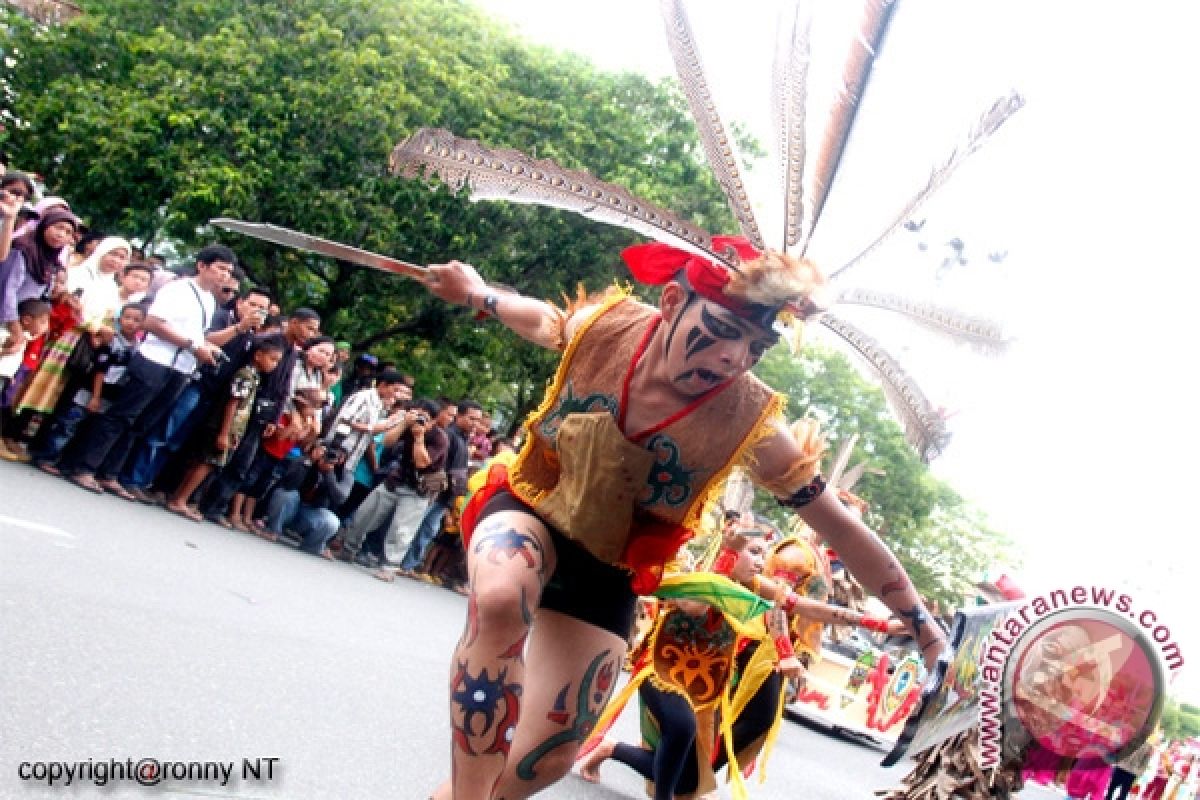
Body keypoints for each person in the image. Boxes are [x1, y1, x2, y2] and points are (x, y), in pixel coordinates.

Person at [417, 237, 949, 800]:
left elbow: (840, 526)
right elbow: (545, 319)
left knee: (544, 761)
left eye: (755, 348)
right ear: (672, 301)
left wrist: (925, 628)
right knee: (502, 594)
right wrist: (476, 293)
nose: (733, 359)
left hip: (607, 569)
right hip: (529, 508)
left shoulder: (753, 422)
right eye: (721, 331)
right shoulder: (609, 328)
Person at [58, 244, 233, 497]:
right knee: (122, 416)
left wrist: (204, 346)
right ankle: (83, 466)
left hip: (181, 367)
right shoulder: (178, 290)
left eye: (227, 271)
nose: (223, 275)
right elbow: (153, 323)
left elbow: (195, 334)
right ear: (202, 266)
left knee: (143, 423)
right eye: (220, 268)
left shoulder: (209, 299)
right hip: (155, 360)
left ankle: (110, 472)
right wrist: (193, 345)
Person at [165, 334, 285, 521]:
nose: (275, 365)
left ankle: (179, 496)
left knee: (205, 463)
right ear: (258, 355)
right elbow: (232, 404)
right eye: (272, 359)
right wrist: (224, 432)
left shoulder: (255, 376)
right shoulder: (245, 374)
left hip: (231, 428)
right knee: (205, 463)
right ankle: (180, 499)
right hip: (221, 425)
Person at [335, 397, 448, 568]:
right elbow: (387, 442)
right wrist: (403, 424)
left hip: (419, 488)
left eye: (424, 417)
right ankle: (349, 548)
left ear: (433, 421)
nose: (419, 419)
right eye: (416, 414)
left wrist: (419, 437)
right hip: (396, 480)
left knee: (401, 530)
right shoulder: (407, 426)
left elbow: (422, 463)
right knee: (364, 514)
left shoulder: (439, 438)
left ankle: (389, 565)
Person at [262, 441, 355, 558]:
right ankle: (273, 530)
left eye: (338, 456)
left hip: (310, 513)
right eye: (330, 453)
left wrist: (329, 473)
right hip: (292, 505)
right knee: (286, 495)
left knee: (332, 522)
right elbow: (288, 484)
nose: (333, 458)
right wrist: (310, 462)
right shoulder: (305, 460)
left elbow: (340, 498)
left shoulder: (345, 475)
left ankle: (312, 547)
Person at [0, 298, 51, 461]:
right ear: (27, 320)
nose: (46, 327)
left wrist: (11, 377)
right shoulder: (8, 335)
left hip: (6, 377)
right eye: (43, 322)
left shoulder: (24, 338)